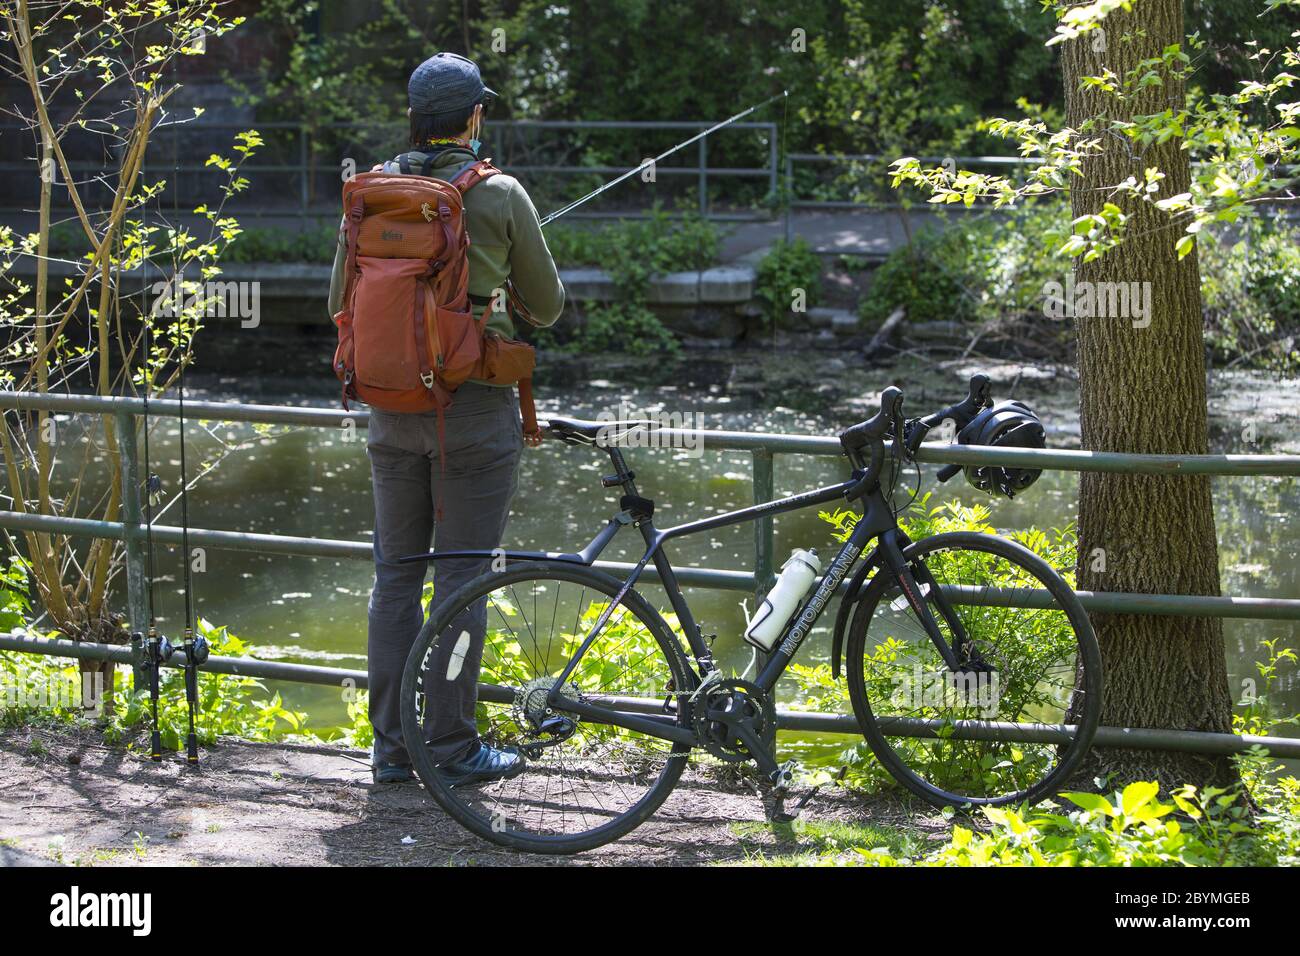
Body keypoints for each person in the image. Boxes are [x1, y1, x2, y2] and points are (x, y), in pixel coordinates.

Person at [327, 52, 565, 785]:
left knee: (395, 577)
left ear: (411, 118)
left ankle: (393, 750)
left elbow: (340, 300)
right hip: (471, 413)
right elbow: (549, 307)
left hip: (388, 409)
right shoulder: (497, 193)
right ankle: (454, 747)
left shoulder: (366, 193)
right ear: (473, 117)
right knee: (462, 580)